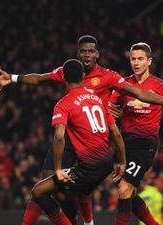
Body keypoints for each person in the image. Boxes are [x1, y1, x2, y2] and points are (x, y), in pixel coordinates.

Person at [0, 35, 163, 225]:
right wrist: (13, 77)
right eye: (83, 51)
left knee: (86, 189)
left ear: (97, 54)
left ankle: (87, 222)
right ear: (78, 54)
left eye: (90, 51)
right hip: (72, 137)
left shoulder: (108, 76)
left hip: (95, 141)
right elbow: (40, 78)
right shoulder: (67, 71)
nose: (86, 55)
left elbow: (139, 93)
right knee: (48, 180)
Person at [31, 58, 126, 225]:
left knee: (38, 191)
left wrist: (59, 168)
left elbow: (59, 136)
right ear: (83, 76)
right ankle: (88, 223)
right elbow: (116, 134)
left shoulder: (63, 104)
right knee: (67, 193)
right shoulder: (98, 99)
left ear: (64, 79)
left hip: (89, 167)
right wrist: (123, 162)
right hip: (108, 163)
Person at [110, 42, 163, 225]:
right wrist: (109, 108)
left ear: (149, 61)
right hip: (123, 145)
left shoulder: (160, 85)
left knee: (124, 189)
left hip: (145, 144)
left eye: (140, 59)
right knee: (130, 194)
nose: (136, 62)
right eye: (133, 59)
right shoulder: (123, 84)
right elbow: (110, 106)